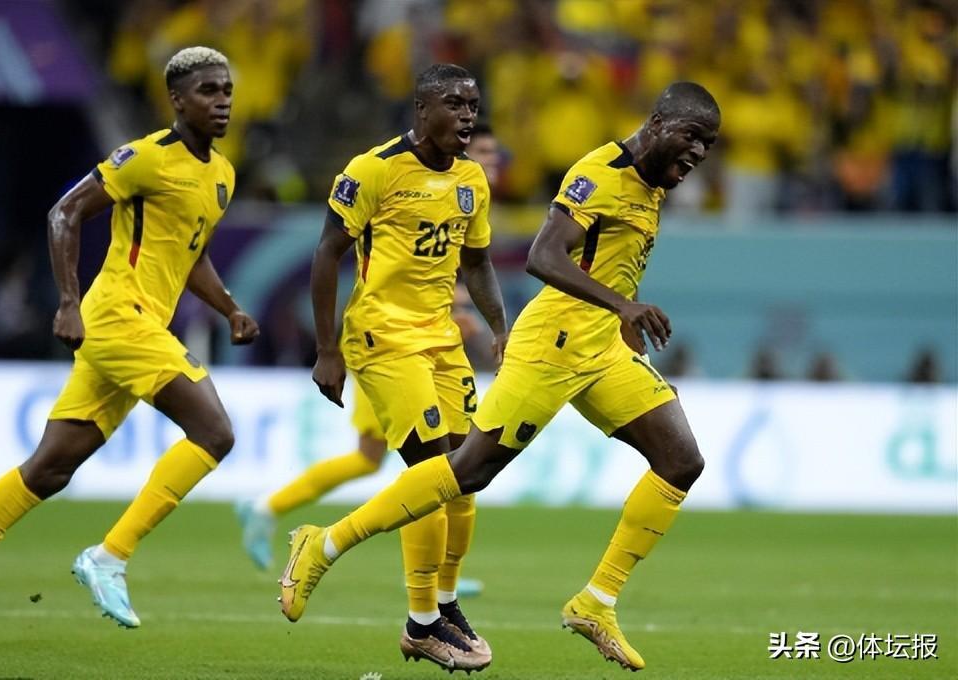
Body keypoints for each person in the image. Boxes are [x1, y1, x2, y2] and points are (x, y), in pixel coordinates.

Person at [279, 81, 721, 673]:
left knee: (681, 460)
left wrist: (617, 316)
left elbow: (590, 262)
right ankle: (325, 543)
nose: (699, 153)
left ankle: (596, 602)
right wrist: (623, 306)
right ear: (660, 122)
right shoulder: (602, 173)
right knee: (466, 472)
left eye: (708, 145)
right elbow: (544, 256)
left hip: (602, 350)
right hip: (552, 346)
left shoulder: (651, 184)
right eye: (693, 137)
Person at [0, 47, 259, 656]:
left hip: (138, 328)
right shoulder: (145, 158)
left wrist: (229, 308)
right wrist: (67, 301)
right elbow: (64, 212)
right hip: (117, 317)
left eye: (227, 90)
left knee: (49, 469)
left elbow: (190, 253)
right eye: (207, 90)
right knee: (215, 432)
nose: (221, 101)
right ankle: (109, 556)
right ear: (176, 99)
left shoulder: (221, 174)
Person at [294, 64, 508, 672]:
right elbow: (327, 253)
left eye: (473, 105)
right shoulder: (374, 170)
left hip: (442, 339)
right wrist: (327, 349)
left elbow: (477, 262)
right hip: (382, 336)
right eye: (454, 104)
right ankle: (420, 622)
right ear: (421, 109)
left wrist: (500, 327)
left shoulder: (471, 179)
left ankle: (446, 602)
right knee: (433, 473)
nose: (467, 115)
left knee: (467, 476)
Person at [234, 127, 504, 584]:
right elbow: (368, 259)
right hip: (391, 345)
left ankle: (438, 583)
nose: (489, 161)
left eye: (494, 154)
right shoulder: (398, 177)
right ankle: (427, 586)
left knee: (399, 462)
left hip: (430, 345)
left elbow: (458, 265)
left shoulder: (467, 193)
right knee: (423, 470)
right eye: (483, 151)